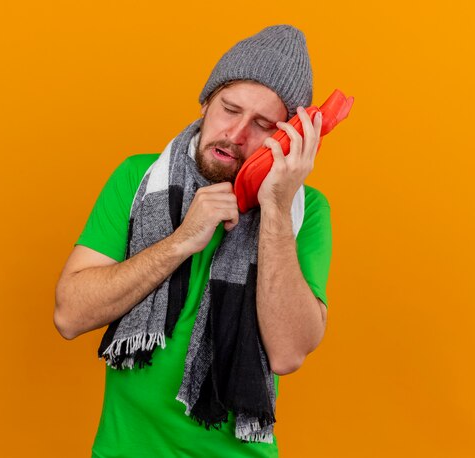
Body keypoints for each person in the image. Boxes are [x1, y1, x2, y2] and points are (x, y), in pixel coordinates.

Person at [54, 24, 332, 458]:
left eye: (262, 125)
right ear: (206, 102)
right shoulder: (138, 179)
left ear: (287, 139)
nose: (236, 134)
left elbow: (288, 353)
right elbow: (70, 315)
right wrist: (182, 240)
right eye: (229, 109)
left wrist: (276, 206)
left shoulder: (306, 210)